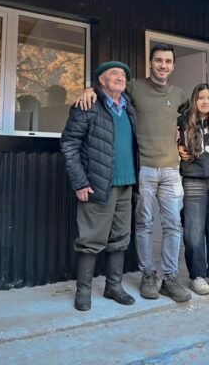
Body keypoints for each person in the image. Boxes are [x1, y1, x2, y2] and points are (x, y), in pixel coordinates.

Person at [76, 44, 191, 302]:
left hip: (172, 169)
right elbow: (108, 88)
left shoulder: (180, 94)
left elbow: (187, 117)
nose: (163, 65)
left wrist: (182, 137)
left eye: (168, 61)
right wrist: (88, 89)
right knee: (144, 224)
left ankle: (170, 278)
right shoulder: (134, 88)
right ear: (150, 63)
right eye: (158, 60)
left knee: (173, 224)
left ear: (173, 65)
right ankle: (148, 275)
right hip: (145, 169)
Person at [61, 61, 139, 311]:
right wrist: (80, 181)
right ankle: (83, 291)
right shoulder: (88, 105)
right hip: (97, 184)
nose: (120, 77)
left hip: (127, 184)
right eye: (113, 73)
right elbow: (69, 143)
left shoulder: (129, 107)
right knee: (90, 239)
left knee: (120, 238)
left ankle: (113, 287)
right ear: (101, 81)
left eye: (123, 74)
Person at [176, 83, 209, 297]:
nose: (205, 101)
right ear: (193, 100)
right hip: (193, 180)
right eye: (200, 98)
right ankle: (197, 276)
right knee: (193, 231)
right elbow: (168, 138)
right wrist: (177, 147)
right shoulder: (182, 121)